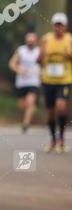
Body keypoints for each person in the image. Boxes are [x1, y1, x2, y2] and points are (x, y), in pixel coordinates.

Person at [38, 13, 72, 153]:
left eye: (61, 25)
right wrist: (42, 54)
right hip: (48, 80)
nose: (58, 27)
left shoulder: (70, 40)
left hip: (65, 79)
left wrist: (68, 55)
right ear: (53, 25)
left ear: (65, 26)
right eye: (56, 25)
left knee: (61, 105)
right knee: (51, 112)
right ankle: (53, 140)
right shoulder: (46, 39)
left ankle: (62, 139)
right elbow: (39, 60)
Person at [8, 32, 41, 132]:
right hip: (22, 81)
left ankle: (25, 125)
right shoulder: (21, 50)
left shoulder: (39, 51)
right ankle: (31, 109)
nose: (30, 42)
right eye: (29, 41)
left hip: (33, 81)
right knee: (22, 104)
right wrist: (18, 69)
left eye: (32, 41)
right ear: (26, 41)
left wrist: (42, 74)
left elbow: (43, 64)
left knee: (30, 101)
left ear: (35, 41)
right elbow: (12, 64)